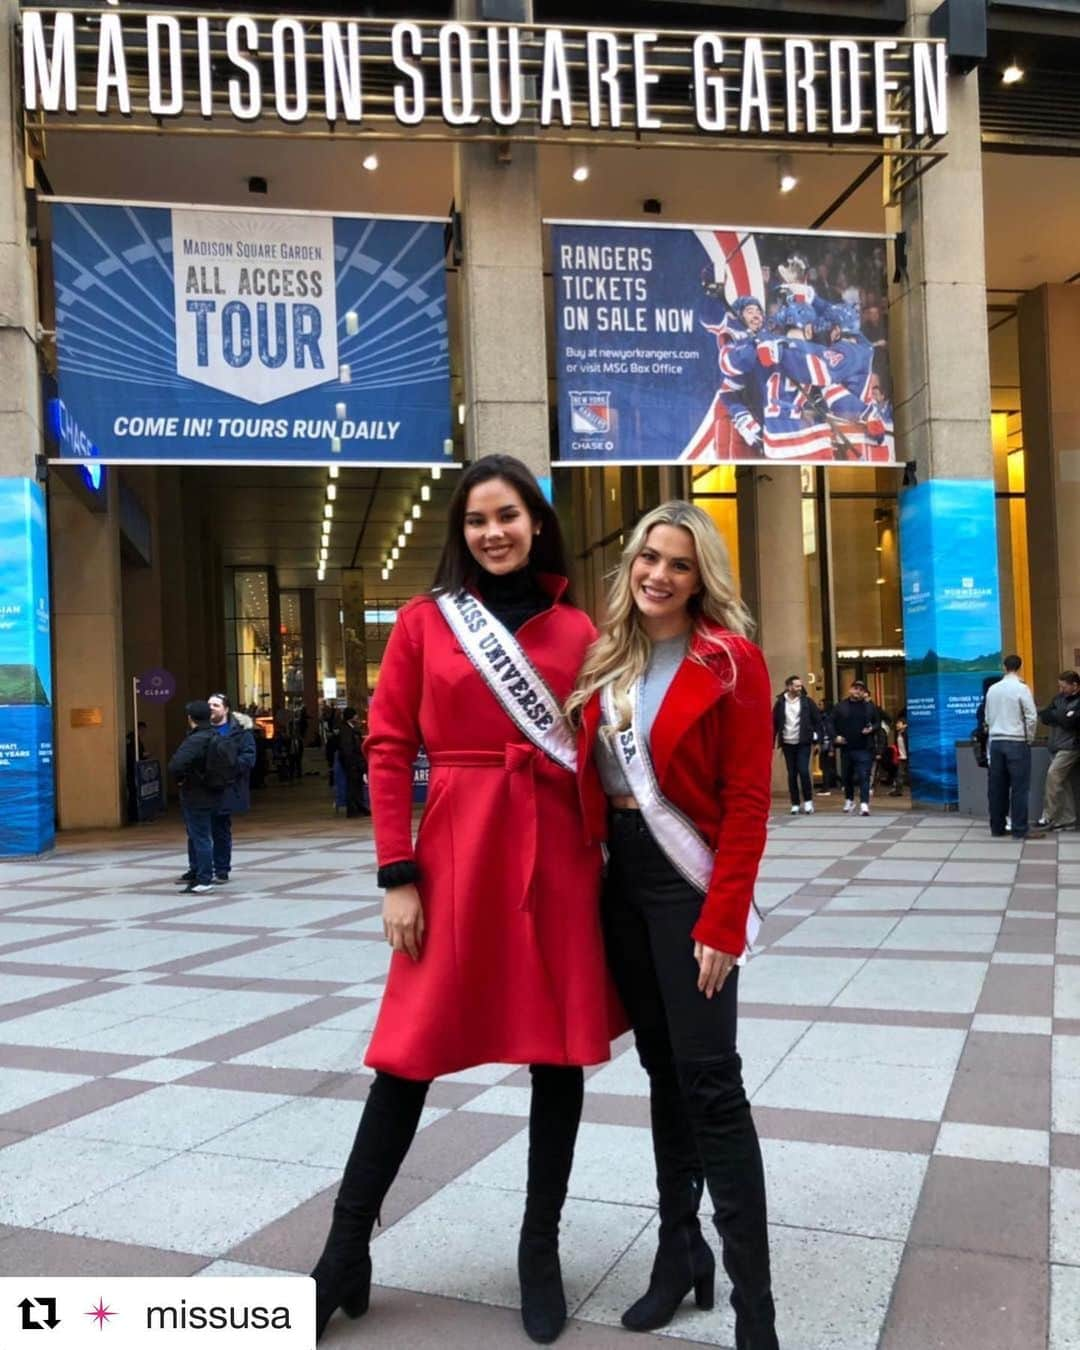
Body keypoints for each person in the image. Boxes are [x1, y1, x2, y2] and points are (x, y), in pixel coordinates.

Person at [310, 455, 617, 1345]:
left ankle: (539, 1248)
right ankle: (343, 1252)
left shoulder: (578, 630)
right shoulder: (424, 623)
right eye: (478, 518)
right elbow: (385, 748)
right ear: (462, 531)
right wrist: (395, 872)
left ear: (536, 522)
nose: (494, 532)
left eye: (509, 515)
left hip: (554, 857)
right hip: (452, 854)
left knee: (556, 1057)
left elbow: (605, 748)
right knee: (406, 1056)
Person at [567, 501, 778, 1348]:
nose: (658, 575)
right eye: (649, 558)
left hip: (689, 886)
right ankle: (678, 1250)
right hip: (621, 881)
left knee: (711, 1085)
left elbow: (750, 800)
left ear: (702, 580)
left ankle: (753, 1307)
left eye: (679, 565)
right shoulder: (605, 661)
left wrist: (724, 920)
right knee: (662, 1074)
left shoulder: (732, 662)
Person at [195, 692, 256, 885]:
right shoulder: (200, 730)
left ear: (226, 709)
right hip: (203, 787)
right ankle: (197, 868)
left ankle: (221, 869)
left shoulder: (240, 732)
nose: (211, 708)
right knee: (199, 830)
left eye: (216, 705)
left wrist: (228, 768)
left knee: (221, 829)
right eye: (209, 705)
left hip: (226, 787)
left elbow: (248, 758)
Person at [167, 700, 222, 894]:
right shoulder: (215, 735)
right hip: (213, 791)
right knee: (200, 834)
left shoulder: (196, 739)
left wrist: (181, 779)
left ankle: (204, 879)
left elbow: (176, 765)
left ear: (191, 718)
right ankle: (198, 871)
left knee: (200, 836)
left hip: (195, 792)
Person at [985, 654, 1040, 840]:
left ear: (1004, 667)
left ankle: (997, 827)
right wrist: (1029, 738)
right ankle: (1019, 828)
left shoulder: (992, 689)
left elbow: (987, 717)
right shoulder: (1021, 688)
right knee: (1019, 788)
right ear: (1020, 667)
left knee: (997, 787)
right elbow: (1031, 716)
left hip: (996, 741)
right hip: (1016, 741)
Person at [772, 674, 823, 814]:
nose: (799, 688)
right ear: (789, 687)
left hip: (803, 742)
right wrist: (772, 741)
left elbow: (817, 721)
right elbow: (774, 723)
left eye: (800, 685)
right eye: (796, 686)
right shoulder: (781, 702)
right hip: (788, 742)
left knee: (804, 771)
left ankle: (808, 801)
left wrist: (818, 740)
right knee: (792, 774)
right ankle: (795, 803)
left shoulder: (807, 702)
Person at [1038, 670, 1080, 830]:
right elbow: (1045, 716)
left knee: (1053, 776)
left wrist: (1058, 715)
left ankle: (1049, 816)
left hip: (1071, 747)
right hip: (1055, 746)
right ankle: (1068, 819)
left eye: (1063, 687)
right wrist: (1063, 715)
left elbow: (1073, 723)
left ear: (1075, 685)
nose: (1060, 690)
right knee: (1063, 783)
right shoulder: (1058, 698)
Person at [832, 679, 879, 815]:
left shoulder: (869, 706)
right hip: (847, 747)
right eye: (855, 688)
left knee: (864, 775)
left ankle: (864, 804)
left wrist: (871, 729)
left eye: (860, 689)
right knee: (847, 776)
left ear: (864, 692)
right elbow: (830, 722)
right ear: (850, 690)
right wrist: (836, 736)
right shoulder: (841, 706)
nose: (857, 691)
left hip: (864, 747)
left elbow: (877, 722)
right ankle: (849, 799)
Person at [337, 705, 370, 817]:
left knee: (357, 785)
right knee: (352, 786)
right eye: (355, 715)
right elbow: (347, 748)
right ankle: (353, 809)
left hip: (356, 761)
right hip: (352, 762)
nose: (357, 717)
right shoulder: (346, 730)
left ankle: (360, 807)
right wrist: (352, 762)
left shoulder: (352, 729)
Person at [888, 709, 909, 797]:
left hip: (908, 757)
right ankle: (898, 791)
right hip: (901, 757)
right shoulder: (898, 734)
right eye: (897, 723)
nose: (897, 725)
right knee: (899, 774)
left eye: (899, 723)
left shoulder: (907, 734)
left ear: (904, 725)